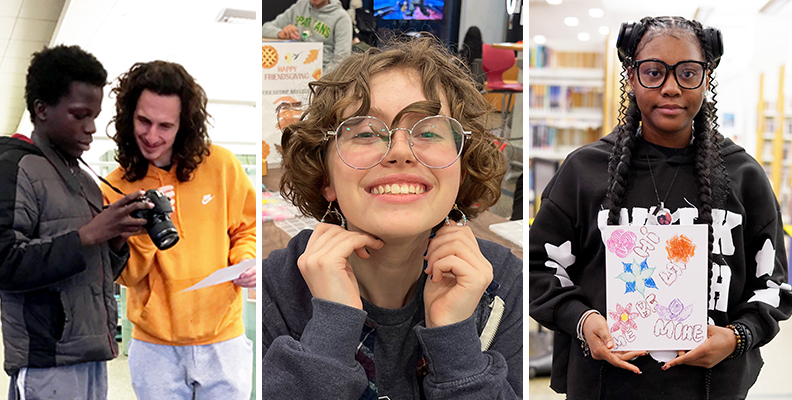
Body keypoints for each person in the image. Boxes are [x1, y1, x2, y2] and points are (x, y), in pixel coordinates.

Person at [529, 16, 792, 399]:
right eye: (653, 72)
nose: (670, 88)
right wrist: (584, 321)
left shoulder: (743, 176)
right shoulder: (583, 171)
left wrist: (737, 337)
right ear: (632, 78)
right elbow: (541, 267)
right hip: (605, 386)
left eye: (688, 73)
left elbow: (772, 285)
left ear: (706, 78)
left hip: (711, 388)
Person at [262, 36, 523, 399]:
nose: (400, 151)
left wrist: (455, 342)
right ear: (326, 177)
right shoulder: (275, 290)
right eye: (367, 132)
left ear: (461, 170)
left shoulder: (501, 287)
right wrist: (331, 327)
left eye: (429, 131)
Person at [0, 44, 150, 400]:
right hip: (47, 360)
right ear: (42, 110)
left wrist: (116, 239)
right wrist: (89, 234)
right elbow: (0, 263)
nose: (92, 127)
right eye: (79, 115)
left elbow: (99, 271)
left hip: (91, 353)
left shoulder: (84, 180)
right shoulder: (14, 168)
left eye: (94, 115)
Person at [101, 61, 257, 399]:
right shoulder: (115, 186)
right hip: (154, 347)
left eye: (165, 125)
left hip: (223, 338)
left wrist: (245, 261)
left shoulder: (221, 164)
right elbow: (124, 276)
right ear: (129, 117)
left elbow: (247, 228)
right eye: (144, 121)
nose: (152, 136)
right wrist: (139, 229)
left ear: (183, 125)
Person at [262, 0, 353, 74]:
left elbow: (342, 60)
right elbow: (265, 29)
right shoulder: (300, 6)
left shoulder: (342, 18)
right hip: (291, 69)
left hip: (321, 75)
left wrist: (320, 80)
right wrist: (280, 33)